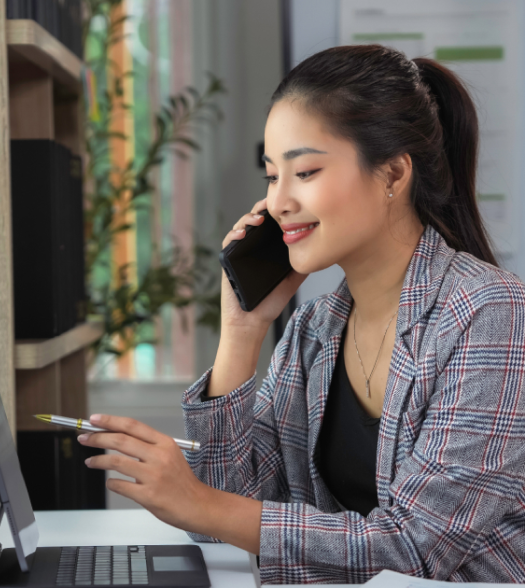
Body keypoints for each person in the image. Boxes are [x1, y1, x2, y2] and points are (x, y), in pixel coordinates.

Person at [76, 44, 525, 583]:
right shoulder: (316, 329)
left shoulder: (490, 314)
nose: (278, 203)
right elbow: (229, 508)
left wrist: (197, 502)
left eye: (305, 171)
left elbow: (418, 546)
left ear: (393, 174)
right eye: (271, 176)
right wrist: (243, 332)